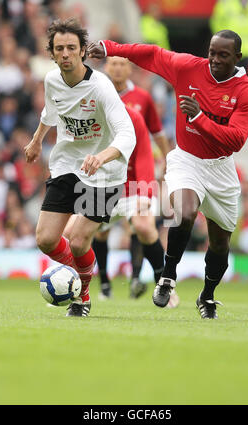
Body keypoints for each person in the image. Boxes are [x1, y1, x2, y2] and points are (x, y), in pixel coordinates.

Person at [88, 29, 248, 319]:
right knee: (186, 212)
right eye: (212, 53)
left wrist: (199, 118)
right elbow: (152, 55)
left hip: (221, 168)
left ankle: (207, 296)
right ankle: (167, 277)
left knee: (220, 244)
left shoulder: (246, 91)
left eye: (223, 55)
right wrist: (109, 47)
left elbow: (236, 140)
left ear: (237, 57)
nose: (215, 60)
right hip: (186, 158)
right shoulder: (188, 67)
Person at [24, 18, 136, 317]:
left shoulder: (101, 87)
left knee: (77, 241)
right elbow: (51, 111)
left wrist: (102, 157)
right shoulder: (51, 80)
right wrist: (36, 142)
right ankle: (81, 275)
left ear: (83, 51)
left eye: (71, 48)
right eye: (59, 48)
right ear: (51, 52)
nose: (65, 54)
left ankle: (82, 296)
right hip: (67, 164)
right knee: (46, 240)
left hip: (105, 174)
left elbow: (128, 133)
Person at [93, 56, 171, 299]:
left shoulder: (142, 99)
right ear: (106, 68)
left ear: (130, 69)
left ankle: (138, 277)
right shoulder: (97, 97)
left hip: (138, 171)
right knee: (100, 232)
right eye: (113, 63)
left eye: (122, 64)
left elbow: (156, 132)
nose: (117, 68)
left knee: (140, 225)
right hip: (105, 177)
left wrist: (168, 159)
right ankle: (104, 282)